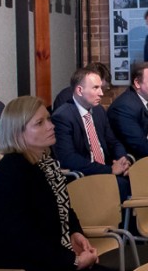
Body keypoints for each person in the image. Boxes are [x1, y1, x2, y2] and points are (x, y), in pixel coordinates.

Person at [0, 96, 124, 271]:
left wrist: (76, 233)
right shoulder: (10, 172)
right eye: (40, 123)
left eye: (48, 119)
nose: (51, 126)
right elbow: (22, 240)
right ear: (18, 133)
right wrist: (72, 261)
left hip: (51, 263)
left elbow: (64, 208)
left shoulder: (45, 162)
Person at [52, 67, 132, 200]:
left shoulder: (99, 111)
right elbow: (68, 158)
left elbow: (113, 142)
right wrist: (110, 170)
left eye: (101, 87)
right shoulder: (62, 116)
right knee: (123, 185)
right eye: (95, 88)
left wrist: (122, 160)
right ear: (79, 90)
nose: (101, 93)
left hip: (106, 171)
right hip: (84, 176)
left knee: (136, 177)